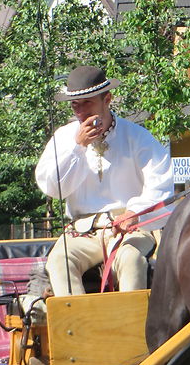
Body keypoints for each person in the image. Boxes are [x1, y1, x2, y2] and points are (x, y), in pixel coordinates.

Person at [35, 65, 173, 296]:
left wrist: (135, 212)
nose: (80, 112)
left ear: (107, 99)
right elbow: (53, 188)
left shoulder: (137, 137)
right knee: (59, 261)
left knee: (130, 260)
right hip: (83, 233)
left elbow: (161, 183)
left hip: (131, 229)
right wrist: (77, 148)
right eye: (75, 105)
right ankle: (77, 329)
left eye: (87, 102)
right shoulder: (63, 139)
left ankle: (130, 329)